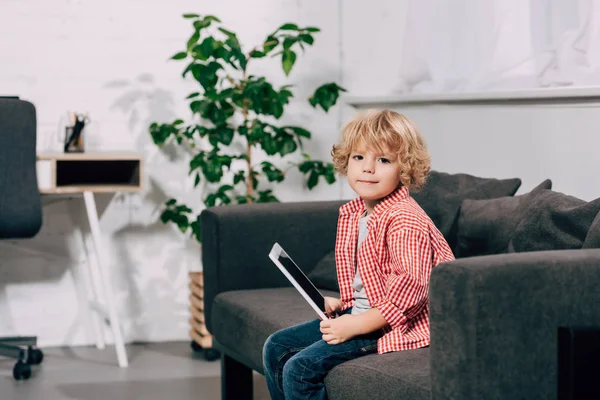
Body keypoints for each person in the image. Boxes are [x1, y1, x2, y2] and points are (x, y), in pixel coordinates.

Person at [262, 109, 455, 400]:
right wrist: (343, 305)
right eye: (359, 157)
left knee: (300, 369)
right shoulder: (356, 213)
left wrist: (354, 324)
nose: (368, 168)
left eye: (384, 160)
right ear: (346, 161)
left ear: (404, 168)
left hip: (394, 325)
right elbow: (370, 278)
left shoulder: (405, 220)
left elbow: (411, 292)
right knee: (275, 346)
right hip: (363, 313)